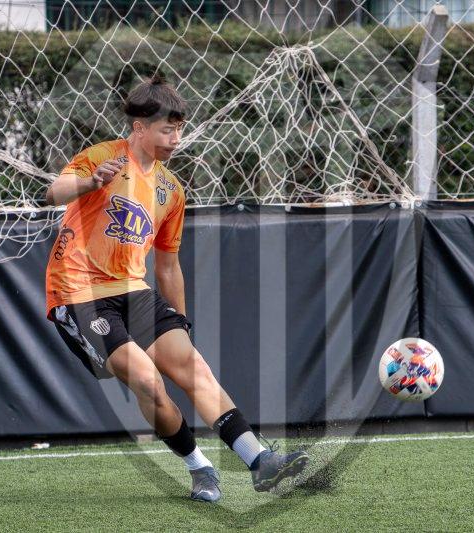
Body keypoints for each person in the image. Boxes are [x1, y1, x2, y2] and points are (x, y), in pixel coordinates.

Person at [44, 76, 308, 502]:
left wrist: (181, 324)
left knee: (193, 367)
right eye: (167, 130)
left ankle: (260, 461)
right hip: (78, 294)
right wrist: (90, 182)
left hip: (132, 289)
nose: (176, 139)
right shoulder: (103, 157)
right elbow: (53, 192)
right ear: (139, 128)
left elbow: (168, 266)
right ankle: (200, 468)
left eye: (179, 129)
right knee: (148, 382)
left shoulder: (171, 190)